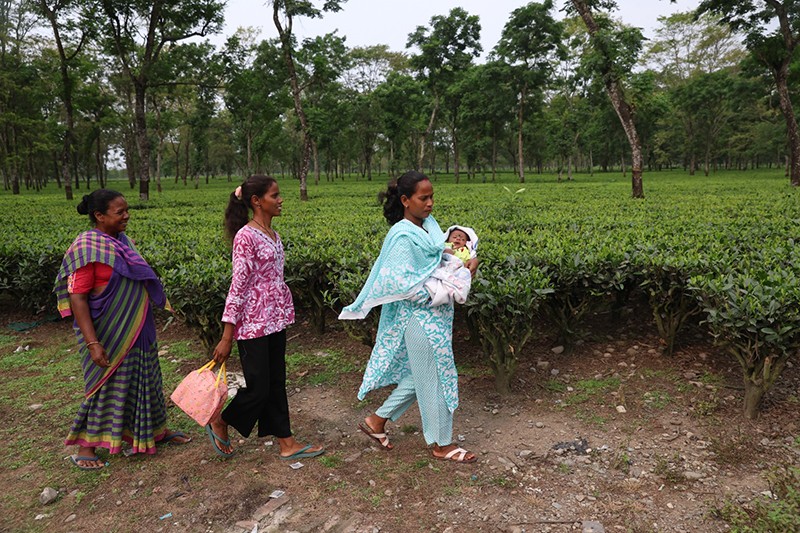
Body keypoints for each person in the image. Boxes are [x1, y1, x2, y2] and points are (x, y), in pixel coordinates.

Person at [339, 171, 479, 463]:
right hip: (419, 319)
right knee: (435, 376)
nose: (430, 203)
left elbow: (439, 262)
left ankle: (376, 421)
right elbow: (404, 287)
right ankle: (441, 444)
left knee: (422, 374)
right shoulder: (402, 236)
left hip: (437, 318)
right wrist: (453, 283)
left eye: (431, 197)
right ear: (405, 200)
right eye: (423, 198)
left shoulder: (430, 228)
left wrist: (459, 268)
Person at [54, 189, 190, 470]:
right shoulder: (86, 248)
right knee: (106, 386)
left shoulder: (123, 241)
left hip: (138, 325)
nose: (126, 215)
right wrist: (93, 343)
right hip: (108, 331)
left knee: (146, 377)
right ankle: (86, 447)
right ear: (99, 216)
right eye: (120, 212)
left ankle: (152, 433)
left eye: (127, 210)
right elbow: (77, 297)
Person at [209, 175, 324, 460]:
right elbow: (238, 287)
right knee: (259, 389)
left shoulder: (273, 235)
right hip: (252, 325)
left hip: (275, 320)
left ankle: (287, 443)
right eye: (275, 195)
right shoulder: (245, 237)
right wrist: (227, 335)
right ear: (256, 201)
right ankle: (221, 421)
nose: (280, 199)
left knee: (276, 382)